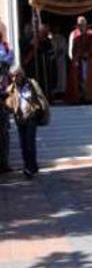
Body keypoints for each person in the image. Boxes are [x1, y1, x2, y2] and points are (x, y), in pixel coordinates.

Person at [4, 66, 49, 178]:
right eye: (12, 76)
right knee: (23, 144)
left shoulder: (31, 84)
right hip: (19, 118)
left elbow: (40, 97)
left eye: (16, 75)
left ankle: (30, 167)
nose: (14, 78)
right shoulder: (11, 89)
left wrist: (42, 110)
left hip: (31, 116)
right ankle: (29, 165)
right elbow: (8, 104)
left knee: (30, 142)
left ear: (21, 74)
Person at [67, 16, 92, 104]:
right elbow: (71, 49)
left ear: (86, 24)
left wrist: (89, 52)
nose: (81, 25)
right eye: (79, 23)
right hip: (78, 61)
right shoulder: (73, 34)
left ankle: (89, 98)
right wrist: (74, 59)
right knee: (79, 79)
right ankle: (79, 98)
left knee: (88, 79)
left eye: (83, 23)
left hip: (90, 62)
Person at [0, 26, 14, 174]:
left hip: (3, 94)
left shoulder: (5, 47)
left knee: (4, 131)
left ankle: (4, 162)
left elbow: (10, 58)